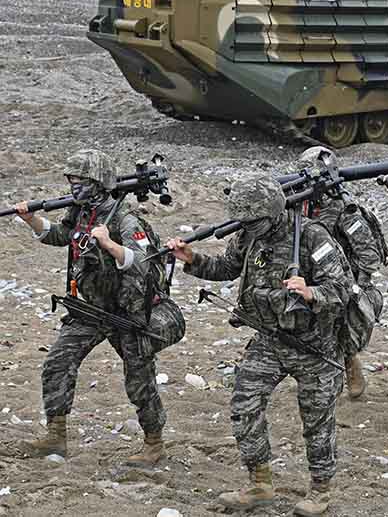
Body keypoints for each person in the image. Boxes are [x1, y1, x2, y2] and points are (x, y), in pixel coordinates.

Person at [166, 173, 351, 517]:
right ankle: (259, 483)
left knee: (317, 419)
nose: (249, 228)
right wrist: (191, 258)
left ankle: (321, 490)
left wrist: (311, 292)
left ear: (273, 210)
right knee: (244, 403)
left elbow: (342, 289)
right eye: (245, 222)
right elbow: (227, 267)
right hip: (268, 339)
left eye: (254, 221)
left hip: (314, 345)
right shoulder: (249, 235)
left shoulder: (311, 236)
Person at [15, 150, 172, 467]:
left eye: (80, 181)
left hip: (127, 314)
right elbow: (63, 235)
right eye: (71, 180)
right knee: (57, 364)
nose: (74, 187)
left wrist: (111, 245)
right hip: (91, 309)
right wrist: (32, 220)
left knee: (139, 381)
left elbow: (148, 264)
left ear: (98, 182)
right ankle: (55, 437)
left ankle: (154, 444)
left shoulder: (126, 219)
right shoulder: (82, 213)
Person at [297, 146, 387, 400]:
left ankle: (349, 365)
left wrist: (358, 288)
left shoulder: (343, 209)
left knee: (337, 330)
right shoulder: (299, 204)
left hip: (342, 277)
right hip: (312, 273)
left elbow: (368, 253)